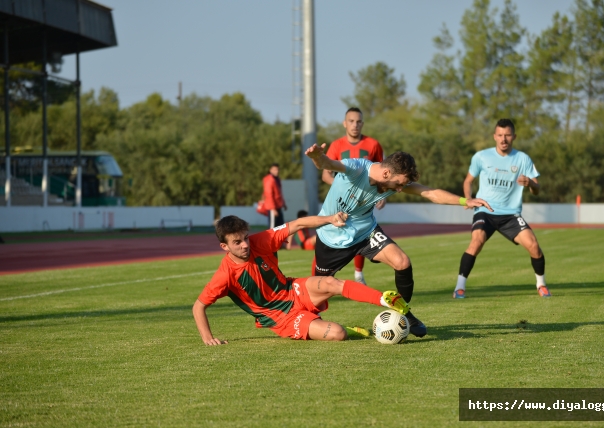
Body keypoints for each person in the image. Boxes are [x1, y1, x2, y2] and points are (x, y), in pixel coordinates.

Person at [305, 144, 493, 337]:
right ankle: (308, 321)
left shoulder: (392, 181)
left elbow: (430, 193)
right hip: (331, 239)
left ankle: (404, 313)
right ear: (386, 173)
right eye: (399, 184)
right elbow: (327, 164)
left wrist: (465, 201)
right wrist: (317, 156)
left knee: (402, 262)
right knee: (317, 294)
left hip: (364, 233)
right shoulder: (356, 168)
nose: (401, 189)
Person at [192, 213, 410, 343]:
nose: (245, 245)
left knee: (330, 282)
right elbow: (198, 306)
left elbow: (297, 224)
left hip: (292, 289)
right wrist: (207, 337)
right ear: (224, 246)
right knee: (338, 333)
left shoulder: (261, 241)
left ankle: (384, 299)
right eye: (237, 242)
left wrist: (329, 219)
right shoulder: (224, 275)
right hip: (280, 317)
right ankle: (351, 330)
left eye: (246, 238)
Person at [453, 118, 551, 299]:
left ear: (514, 136)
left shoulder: (523, 159)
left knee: (534, 246)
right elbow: (468, 181)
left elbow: (536, 189)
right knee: (476, 243)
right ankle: (459, 288)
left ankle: (541, 285)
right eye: (500, 135)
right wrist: (468, 199)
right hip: (485, 211)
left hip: (511, 215)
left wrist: (529, 182)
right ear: (494, 136)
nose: (503, 139)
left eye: (507, 135)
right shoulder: (481, 156)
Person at [321, 107, 385, 285]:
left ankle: (358, 274)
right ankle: (321, 280)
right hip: (340, 202)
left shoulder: (373, 145)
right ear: (344, 123)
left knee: (360, 232)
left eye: (358, 121)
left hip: (363, 200)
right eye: (351, 121)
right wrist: (341, 188)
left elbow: (385, 174)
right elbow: (326, 174)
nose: (355, 125)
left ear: (363, 124)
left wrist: (382, 195)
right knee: (327, 236)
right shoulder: (336, 146)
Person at [262, 163, 287, 229]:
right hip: (273, 208)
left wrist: (283, 203)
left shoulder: (277, 179)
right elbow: (269, 194)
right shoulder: (269, 180)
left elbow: (279, 193)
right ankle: (270, 240)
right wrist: (273, 209)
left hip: (278, 206)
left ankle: (279, 239)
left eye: (278, 169)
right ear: (270, 170)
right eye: (275, 169)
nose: (277, 171)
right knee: (272, 228)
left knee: (281, 227)